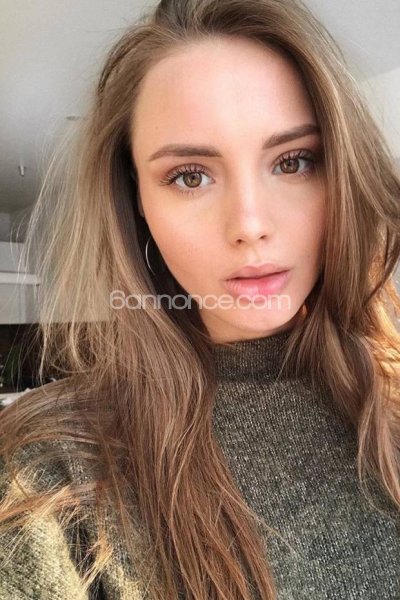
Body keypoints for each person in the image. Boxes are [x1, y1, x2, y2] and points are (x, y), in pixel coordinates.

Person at [0, 0, 399, 598]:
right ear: (136, 200)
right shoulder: (50, 468)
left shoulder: (389, 402)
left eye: (294, 162)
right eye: (190, 175)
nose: (250, 225)